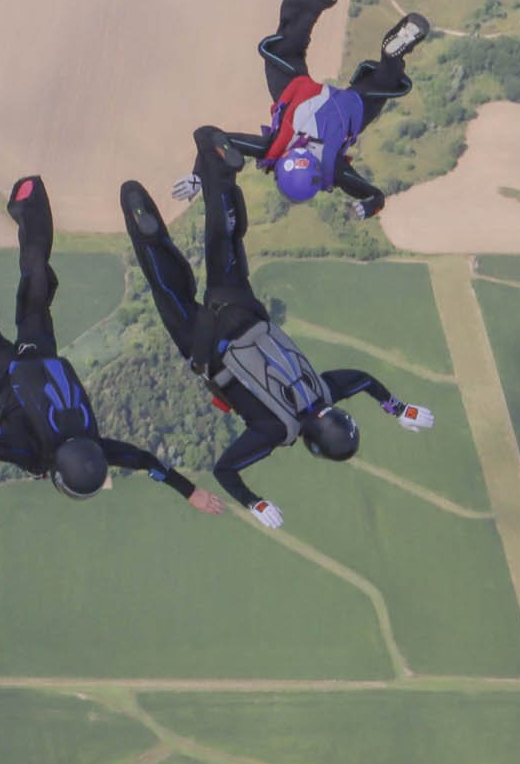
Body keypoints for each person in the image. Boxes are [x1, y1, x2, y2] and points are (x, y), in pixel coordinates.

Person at [121, 129, 437, 528]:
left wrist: (398, 408)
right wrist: (255, 503)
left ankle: (219, 170)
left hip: (246, 311)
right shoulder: (274, 431)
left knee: (225, 242)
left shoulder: (326, 390)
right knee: (168, 288)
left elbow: (363, 379)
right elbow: (225, 470)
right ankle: (148, 234)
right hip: (207, 348)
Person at [0, 176, 226, 530]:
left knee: (36, 293)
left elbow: (145, 460)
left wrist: (190, 492)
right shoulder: (32, 454)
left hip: (42, 357)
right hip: (1, 373)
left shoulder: (95, 444)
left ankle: (31, 205)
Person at [210, 0, 429, 219]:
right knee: (283, 53)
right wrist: (223, 162)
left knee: (381, 86)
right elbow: (216, 138)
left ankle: (393, 57)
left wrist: (367, 208)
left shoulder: (333, 170)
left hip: (349, 110)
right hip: (302, 96)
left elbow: (375, 196)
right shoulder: (272, 148)